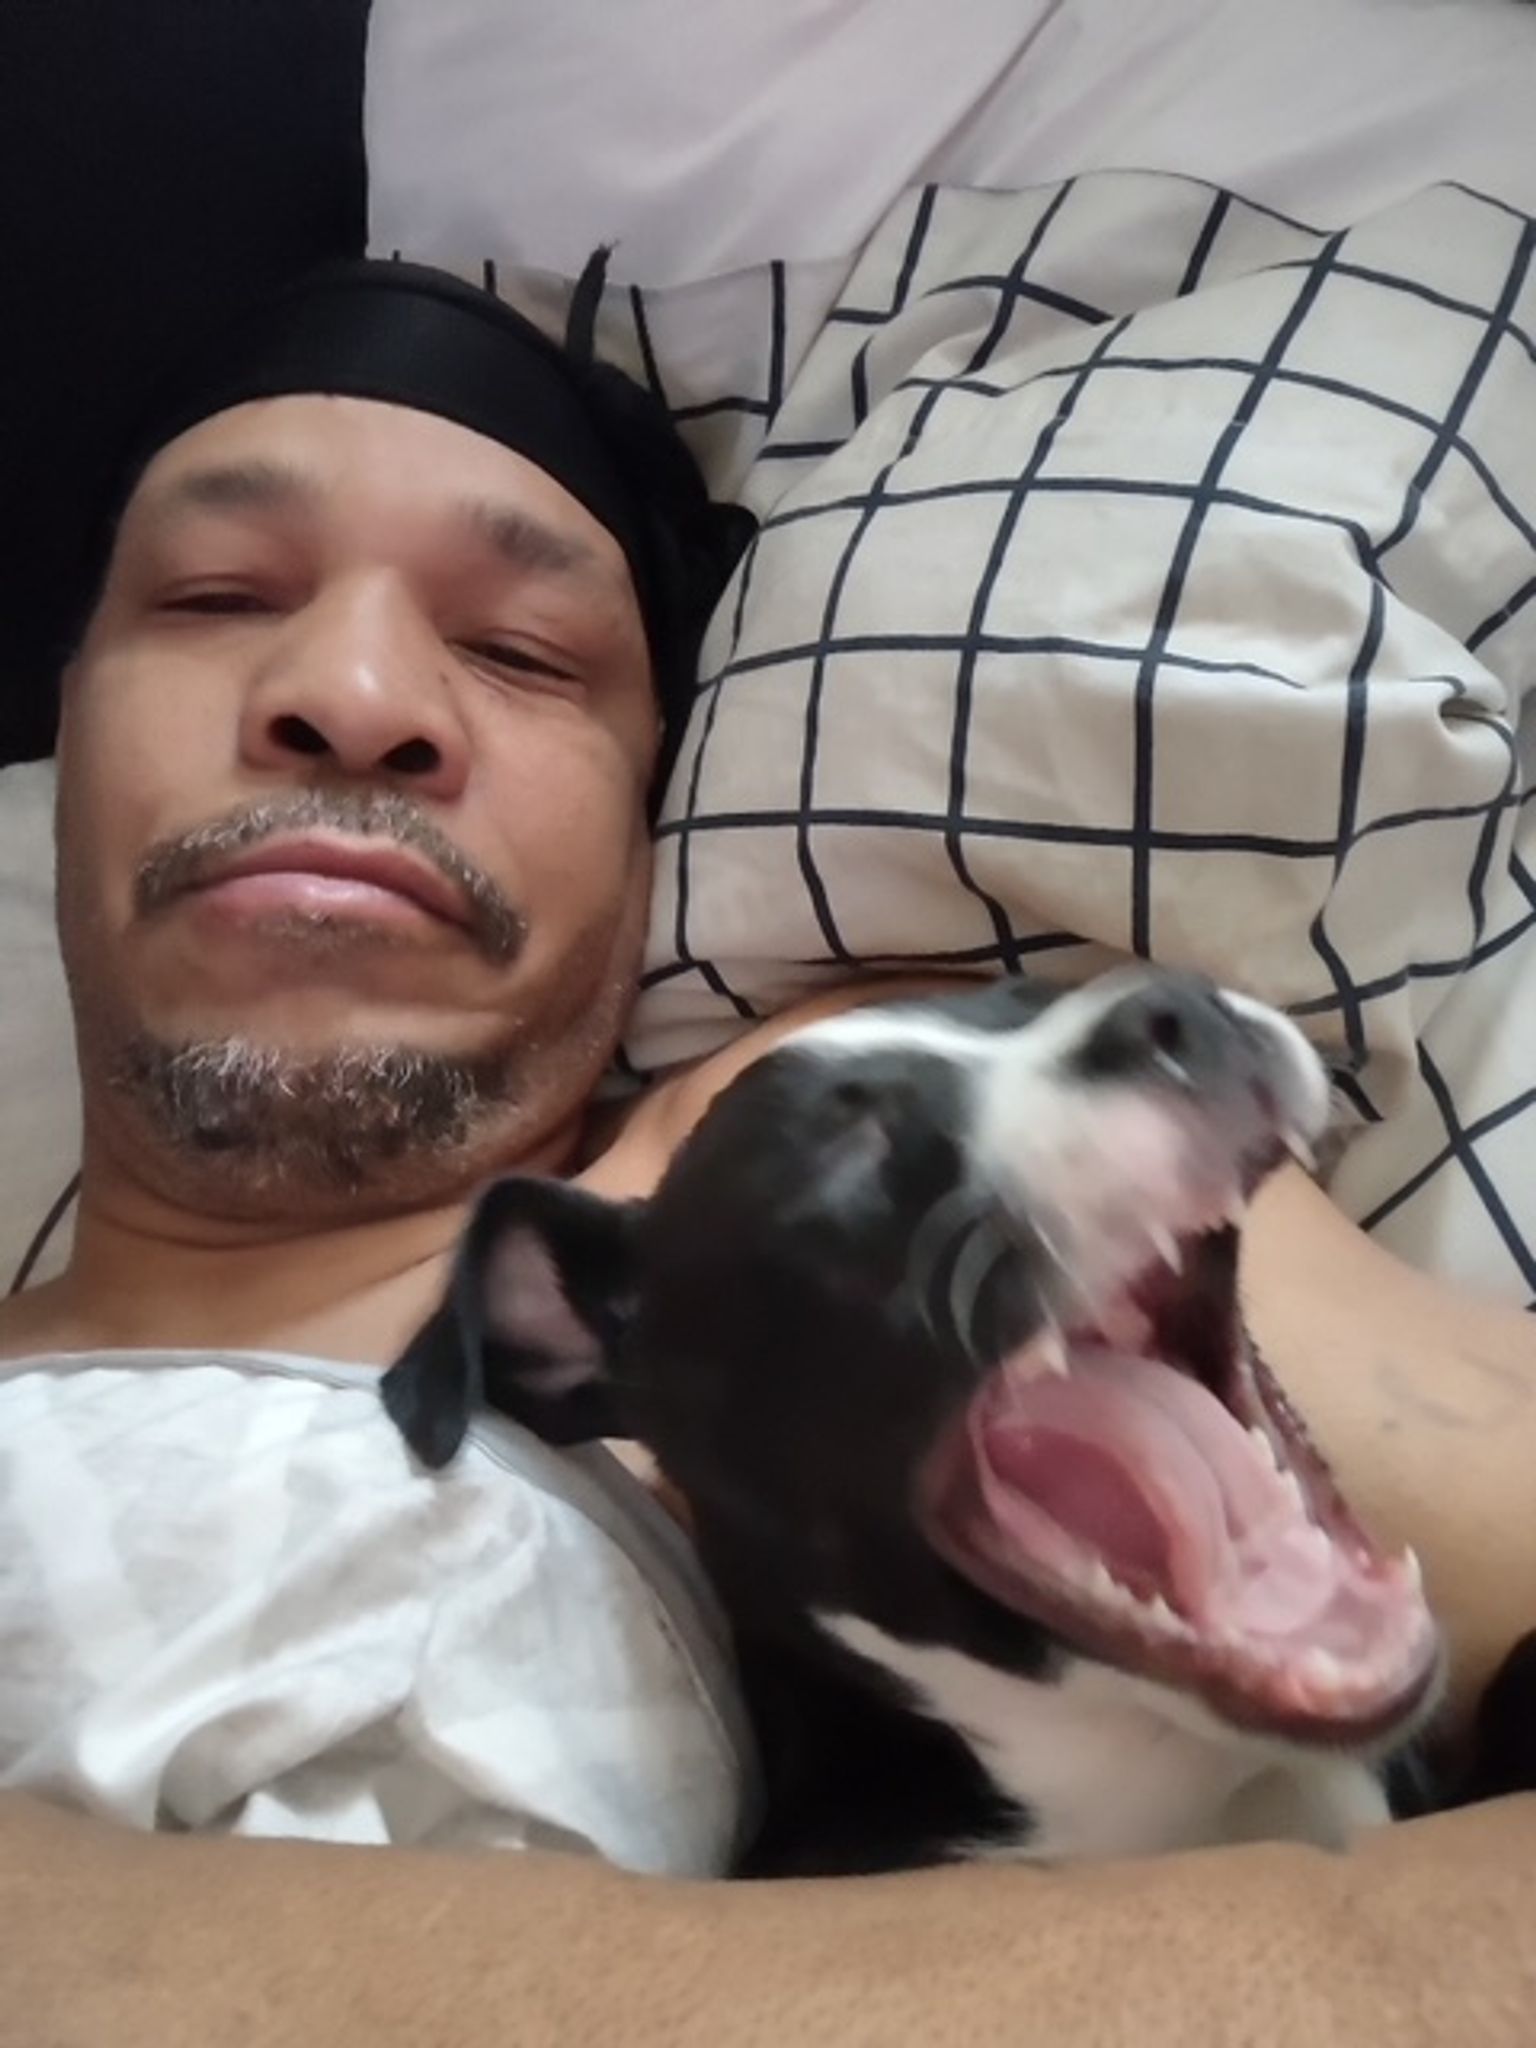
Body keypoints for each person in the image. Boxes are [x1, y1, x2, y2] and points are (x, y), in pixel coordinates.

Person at [0, 257, 1533, 2045]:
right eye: (215, 594)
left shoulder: (819, 1217)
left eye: (519, 651)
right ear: (69, 714)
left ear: (647, 808)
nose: (350, 690)